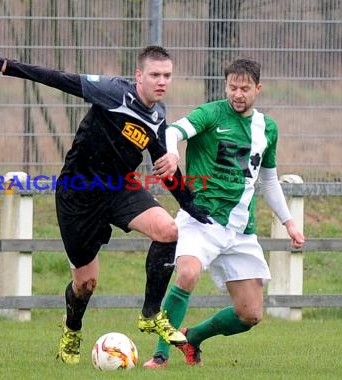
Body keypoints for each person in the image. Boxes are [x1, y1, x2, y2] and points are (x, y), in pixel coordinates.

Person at [0, 39, 212, 365]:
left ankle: (151, 314)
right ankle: (72, 329)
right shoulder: (113, 92)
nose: (162, 81)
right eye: (155, 75)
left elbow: (165, 168)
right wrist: (4, 65)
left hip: (118, 186)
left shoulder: (158, 115)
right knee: (86, 283)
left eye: (167, 75)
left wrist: (188, 203)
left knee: (168, 230)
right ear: (139, 75)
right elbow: (58, 78)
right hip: (77, 193)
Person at [142, 57, 306, 369]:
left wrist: (289, 223)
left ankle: (193, 338)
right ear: (226, 86)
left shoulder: (267, 129)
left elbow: (268, 179)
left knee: (250, 314)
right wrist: (173, 153)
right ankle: (160, 355)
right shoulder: (211, 113)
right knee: (188, 273)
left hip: (241, 229)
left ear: (258, 89)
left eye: (244, 88)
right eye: (232, 87)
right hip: (201, 219)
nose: (237, 94)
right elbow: (173, 131)